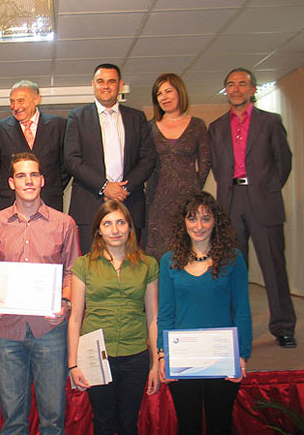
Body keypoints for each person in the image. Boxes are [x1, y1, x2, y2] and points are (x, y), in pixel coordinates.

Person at [0, 152, 79, 435]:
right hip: (7, 329)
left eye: (34, 175)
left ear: (42, 180)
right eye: (21, 175)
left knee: (52, 419)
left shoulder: (65, 223)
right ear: (12, 182)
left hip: (49, 329)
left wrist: (64, 302)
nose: (28, 180)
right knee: (13, 420)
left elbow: (72, 272)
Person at [209, 67, 296, 348]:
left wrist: (267, 188)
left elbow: (283, 162)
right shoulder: (217, 127)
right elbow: (216, 165)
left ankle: (283, 327)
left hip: (263, 201)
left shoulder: (270, 122)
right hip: (231, 202)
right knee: (232, 268)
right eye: (231, 84)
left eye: (242, 84)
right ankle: (233, 329)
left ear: (253, 89)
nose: (236, 89)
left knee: (274, 268)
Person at [157, 192, 252, 435]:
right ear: (183, 222)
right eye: (192, 219)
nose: (198, 226)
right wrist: (162, 355)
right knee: (188, 426)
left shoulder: (233, 259)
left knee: (219, 425)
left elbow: (242, 309)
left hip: (221, 356)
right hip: (182, 358)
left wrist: (241, 355)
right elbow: (165, 313)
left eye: (205, 219)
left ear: (215, 222)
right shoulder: (169, 261)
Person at [68, 200, 159, 435]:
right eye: (107, 224)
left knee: (129, 423)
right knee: (103, 422)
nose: (115, 230)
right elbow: (75, 318)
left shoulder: (148, 265)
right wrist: (73, 363)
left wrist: (156, 362)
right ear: (98, 229)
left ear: (130, 226)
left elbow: (153, 317)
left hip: (135, 355)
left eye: (120, 222)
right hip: (96, 354)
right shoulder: (83, 264)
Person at [64, 63, 156, 254]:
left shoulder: (136, 118)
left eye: (111, 81)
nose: (105, 86)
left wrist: (123, 189)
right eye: (100, 81)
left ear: (120, 85)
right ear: (93, 84)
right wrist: (105, 186)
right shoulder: (77, 117)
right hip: (89, 204)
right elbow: (72, 159)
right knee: (92, 267)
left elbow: (147, 158)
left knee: (130, 265)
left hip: (129, 202)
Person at [145, 73, 211, 260]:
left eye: (168, 91)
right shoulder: (149, 127)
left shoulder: (197, 125)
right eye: (159, 94)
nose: (164, 97)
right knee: (159, 252)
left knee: (187, 249)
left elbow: (205, 162)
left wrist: (194, 189)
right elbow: (143, 161)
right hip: (157, 200)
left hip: (188, 200)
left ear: (179, 92)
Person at [0, 79, 70, 211]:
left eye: (20, 101)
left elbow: (66, 166)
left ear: (36, 99)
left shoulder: (59, 125)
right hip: (11, 204)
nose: (15, 106)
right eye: (12, 102)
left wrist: (50, 188)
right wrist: (10, 191)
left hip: (50, 203)